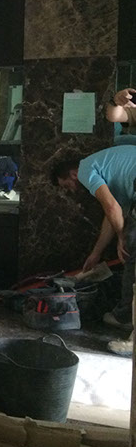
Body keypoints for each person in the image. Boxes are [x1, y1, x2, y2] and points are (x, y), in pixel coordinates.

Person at [50, 142, 136, 355]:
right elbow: (112, 214)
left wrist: (122, 238)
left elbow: (112, 207)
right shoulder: (108, 171)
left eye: (66, 186)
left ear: (73, 174)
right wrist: (96, 253)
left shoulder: (85, 169)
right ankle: (124, 316)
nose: (70, 191)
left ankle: (129, 326)